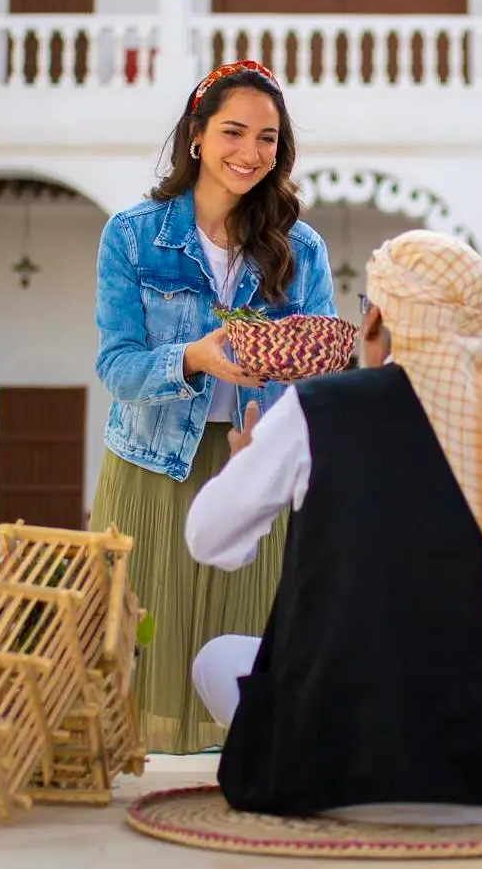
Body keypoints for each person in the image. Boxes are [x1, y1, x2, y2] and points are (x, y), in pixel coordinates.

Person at [186, 230, 482, 822]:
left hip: (345, 780)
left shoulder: (319, 408)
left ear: (374, 320)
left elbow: (209, 539)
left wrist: (248, 468)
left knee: (218, 658)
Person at [90, 59, 337, 754]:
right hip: (150, 467)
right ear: (196, 136)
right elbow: (116, 366)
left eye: (267, 138)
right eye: (234, 131)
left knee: (250, 641)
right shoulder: (132, 236)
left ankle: (245, 780)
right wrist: (193, 358)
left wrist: (285, 404)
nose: (250, 152)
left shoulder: (302, 247)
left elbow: (317, 373)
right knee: (141, 648)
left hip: (255, 465)